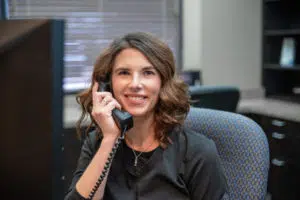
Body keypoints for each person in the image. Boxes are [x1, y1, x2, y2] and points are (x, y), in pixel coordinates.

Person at [65, 32, 228, 200]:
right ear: (107, 85)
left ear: (163, 82)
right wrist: (110, 140)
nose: (135, 84)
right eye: (124, 73)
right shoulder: (98, 143)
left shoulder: (197, 152)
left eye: (148, 73)